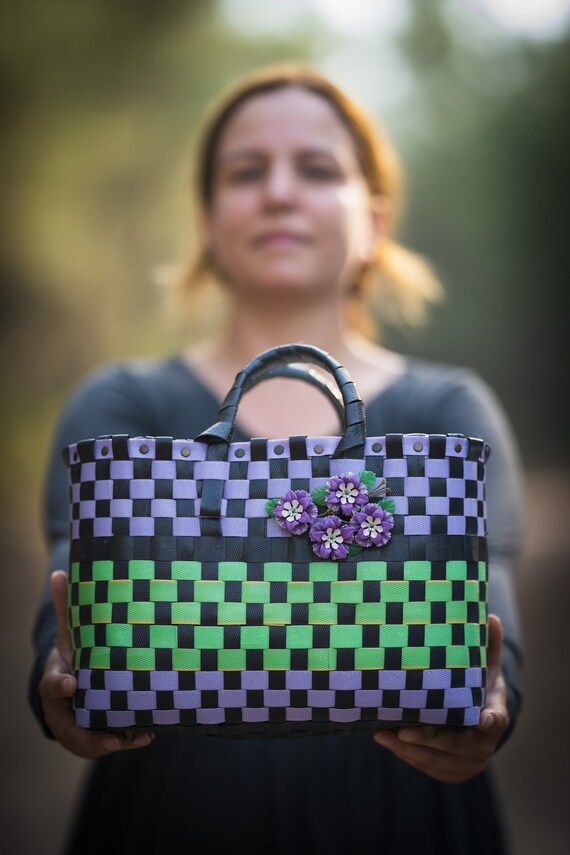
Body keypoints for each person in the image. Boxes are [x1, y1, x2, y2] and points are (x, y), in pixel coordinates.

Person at [29, 63, 524, 854]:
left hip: (405, 819)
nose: (279, 192)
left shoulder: (446, 413)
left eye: (317, 168)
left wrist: (493, 708)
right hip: (170, 818)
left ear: (375, 219)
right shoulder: (124, 408)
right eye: (247, 171)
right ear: (208, 219)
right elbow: (71, 608)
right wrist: (57, 682)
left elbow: (491, 626)